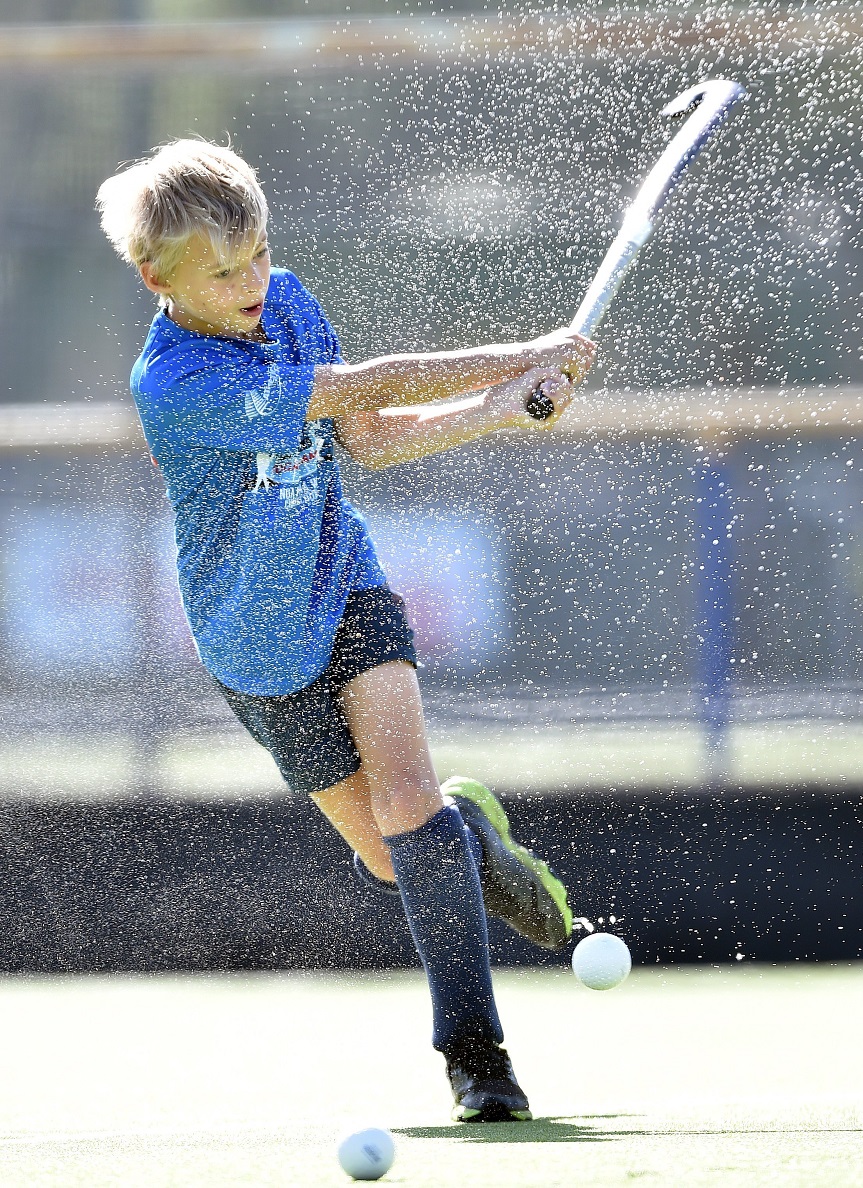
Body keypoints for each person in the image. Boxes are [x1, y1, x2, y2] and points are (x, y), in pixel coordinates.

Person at [96, 139, 595, 1123]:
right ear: (156, 278)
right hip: (255, 651)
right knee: (391, 853)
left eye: (258, 256)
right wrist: (521, 356)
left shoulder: (285, 300)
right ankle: (469, 835)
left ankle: (475, 1060)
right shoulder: (173, 383)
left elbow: (367, 439)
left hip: (345, 582)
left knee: (407, 801)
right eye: (223, 272)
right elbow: (355, 389)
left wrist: (498, 411)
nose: (252, 284)